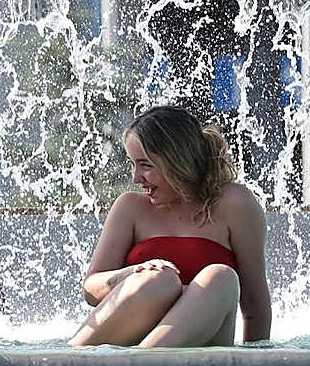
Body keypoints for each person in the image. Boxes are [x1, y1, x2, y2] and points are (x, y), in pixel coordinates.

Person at [70, 105, 272, 348]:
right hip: (128, 341)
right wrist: (134, 272)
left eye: (145, 165)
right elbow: (90, 290)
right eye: (132, 164)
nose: (135, 178)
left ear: (177, 160)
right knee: (159, 279)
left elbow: (255, 304)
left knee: (220, 277)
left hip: (201, 347)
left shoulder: (234, 204)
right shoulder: (130, 207)